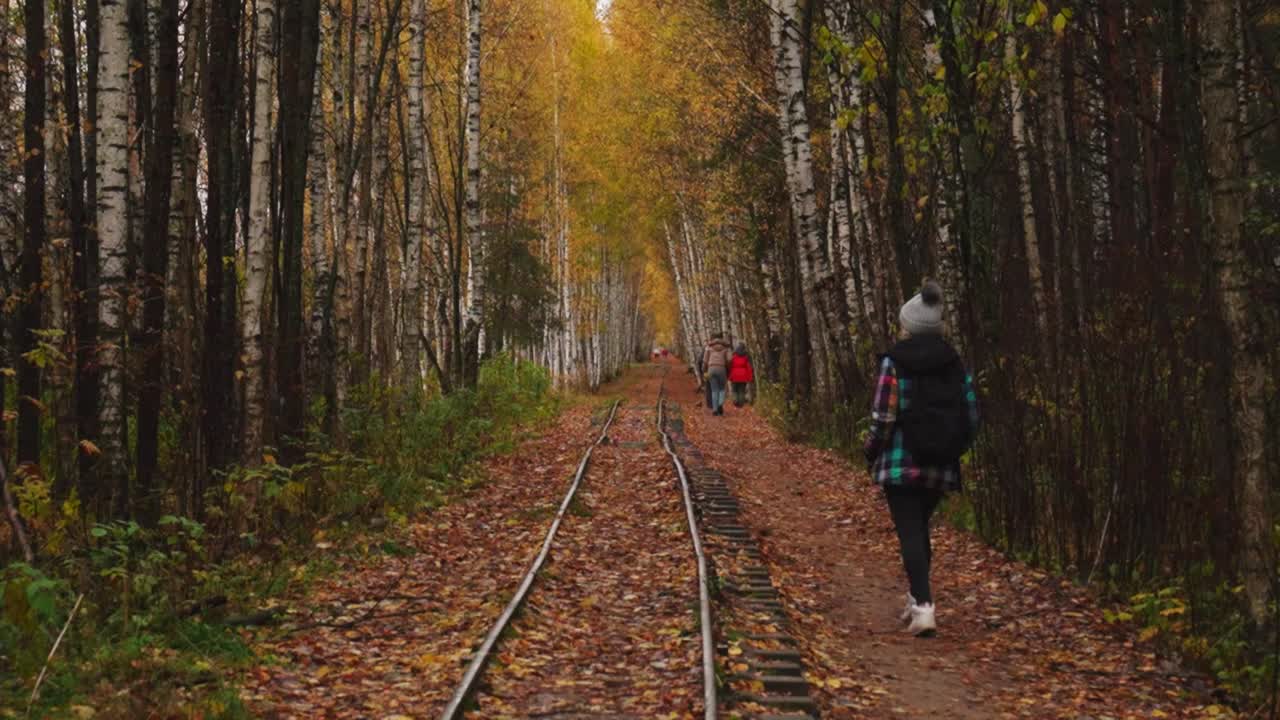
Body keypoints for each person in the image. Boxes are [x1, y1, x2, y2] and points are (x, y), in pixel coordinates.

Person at [863, 282, 978, 637]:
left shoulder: (894, 362)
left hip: (900, 463)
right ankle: (916, 597)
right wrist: (951, 449)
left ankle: (924, 607)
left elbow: (883, 415)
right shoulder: (955, 365)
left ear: (908, 326)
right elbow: (972, 417)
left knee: (910, 530)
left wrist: (871, 449)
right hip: (939, 465)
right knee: (919, 528)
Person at [701, 333, 731, 416]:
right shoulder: (726, 348)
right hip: (721, 369)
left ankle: (714, 409)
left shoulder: (708, 347)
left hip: (711, 369)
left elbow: (705, 361)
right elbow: (729, 360)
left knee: (714, 390)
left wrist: (704, 370)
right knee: (721, 389)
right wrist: (728, 369)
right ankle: (720, 404)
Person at [728, 342, 754, 408]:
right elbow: (749, 368)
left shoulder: (734, 356)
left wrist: (729, 375)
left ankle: (735, 400)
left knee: (734, 389)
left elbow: (730, 366)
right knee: (741, 390)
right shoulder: (746, 357)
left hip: (734, 375)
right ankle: (741, 404)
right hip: (743, 375)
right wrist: (750, 377)